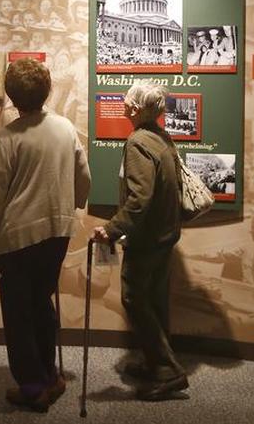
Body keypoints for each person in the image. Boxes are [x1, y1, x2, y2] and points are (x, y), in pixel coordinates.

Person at [0, 59, 91, 412]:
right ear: (48, 90)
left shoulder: (9, 137)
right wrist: (73, 204)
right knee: (41, 301)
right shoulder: (65, 127)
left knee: (18, 311)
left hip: (16, 236)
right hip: (57, 231)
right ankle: (50, 375)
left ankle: (32, 386)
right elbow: (83, 177)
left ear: (11, 96)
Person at [92, 82, 188, 401]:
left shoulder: (137, 142)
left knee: (134, 298)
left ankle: (168, 371)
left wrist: (112, 229)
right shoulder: (160, 136)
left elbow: (139, 199)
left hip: (147, 238)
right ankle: (155, 363)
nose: (123, 102)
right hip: (164, 234)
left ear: (134, 108)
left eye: (126, 99)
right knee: (155, 301)